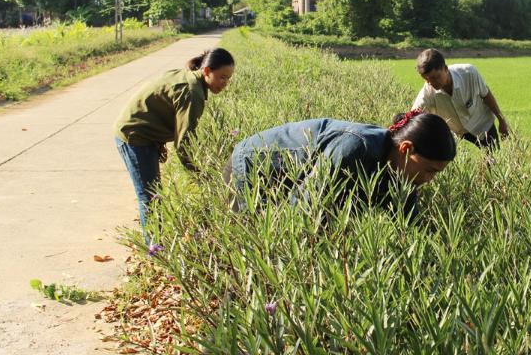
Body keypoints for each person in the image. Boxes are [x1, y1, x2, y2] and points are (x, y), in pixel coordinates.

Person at [226, 110, 456, 216]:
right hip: (253, 166)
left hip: (292, 179)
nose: (429, 179)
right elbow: (305, 210)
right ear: (406, 149)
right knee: (254, 245)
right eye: (430, 170)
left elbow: (409, 225)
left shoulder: (402, 174)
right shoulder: (355, 148)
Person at [115, 48, 235, 235]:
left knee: (154, 195)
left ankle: (157, 242)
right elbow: (184, 143)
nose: (225, 83)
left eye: (228, 79)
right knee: (150, 197)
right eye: (222, 77)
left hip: (144, 134)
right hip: (135, 136)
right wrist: (202, 176)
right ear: (206, 71)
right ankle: (154, 247)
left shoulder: (190, 78)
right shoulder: (192, 92)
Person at [411, 48, 509, 149]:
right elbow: (412, 118)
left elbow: (486, 95)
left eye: (436, 77)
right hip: (458, 131)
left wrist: (502, 121)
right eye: (427, 80)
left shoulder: (469, 73)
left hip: (482, 123)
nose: (432, 83)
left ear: (445, 68)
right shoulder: (426, 95)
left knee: (493, 153)